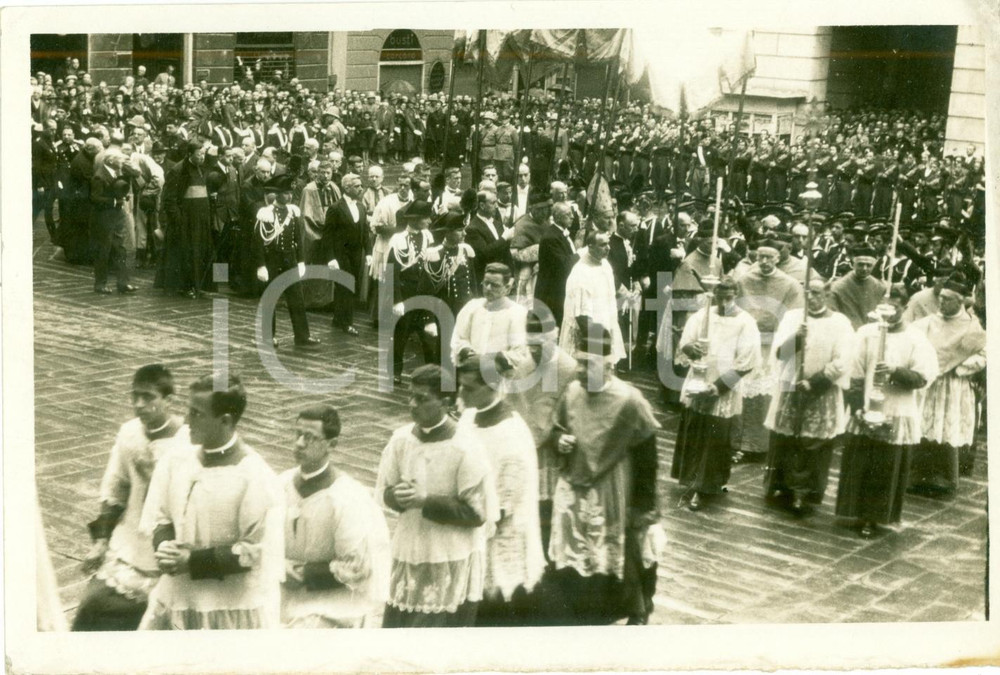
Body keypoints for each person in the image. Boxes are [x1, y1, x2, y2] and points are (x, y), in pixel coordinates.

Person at [139, 374, 284, 629]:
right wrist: (164, 546)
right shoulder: (176, 461)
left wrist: (190, 561)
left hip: (228, 607)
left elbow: (253, 551)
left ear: (225, 421)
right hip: (176, 597)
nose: (186, 420)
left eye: (196, 414)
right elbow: (161, 516)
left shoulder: (255, 476)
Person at [547, 318, 661, 625]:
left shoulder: (630, 400)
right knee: (577, 553)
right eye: (579, 364)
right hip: (574, 482)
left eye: (588, 365)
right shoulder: (571, 392)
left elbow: (648, 457)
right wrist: (561, 440)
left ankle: (635, 609)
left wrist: (643, 504)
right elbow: (556, 428)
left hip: (613, 487)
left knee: (619, 550)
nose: (580, 371)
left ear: (608, 365)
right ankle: (583, 609)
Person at [375, 364, 497, 628]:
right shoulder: (401, 440)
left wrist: (425, 500)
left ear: (444, 402)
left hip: (449, 556)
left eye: (421, 399)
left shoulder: (466, 446)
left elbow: (477, 513)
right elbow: (383, 492)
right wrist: (395, 495)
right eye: (411, 396)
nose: (412, 404)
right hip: (410, 549)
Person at [72, 366, 189, 631]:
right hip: (130, 543)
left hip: (171, 546)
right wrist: (101, 542)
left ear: (169, 400)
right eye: (134, 396)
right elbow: (116, 486)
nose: (139, 405)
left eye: (148, 397)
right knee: (93, 605)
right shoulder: (129, 433)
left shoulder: (188, 439)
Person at [835, 286, 938, 538]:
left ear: (904, 309)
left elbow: (923, 377)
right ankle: (855, 511)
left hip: (896, 408)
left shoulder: (916, 339)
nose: (888, 313)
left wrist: (894, 370)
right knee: (860, 462)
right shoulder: (867, 333)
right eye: (884, 307)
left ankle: (874, 516)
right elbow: (855, 372)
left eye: (894, 308)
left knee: (884, 466)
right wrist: (858, 406)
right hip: (867, 406)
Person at [280, 405, 391, 628]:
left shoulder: (346, 497)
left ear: (331, 444)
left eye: (310, 437)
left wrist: (301, 573)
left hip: (330, 606)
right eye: (298, 435)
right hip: (282, 596)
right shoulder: (280, 484)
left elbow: (355, 567)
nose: (299, 443)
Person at [455, 353, 545, 627]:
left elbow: (504, 505)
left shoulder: (512, 435)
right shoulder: (468, 418)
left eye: (469, 388)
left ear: (492, 387)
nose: (460, 393)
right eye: (460, 385)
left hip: (496, 537)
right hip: (467, 526)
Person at [763, 280, 855, 513]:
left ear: (827, 294)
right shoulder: (793, 318)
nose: (811, 298)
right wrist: (797, 338)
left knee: (812, 443)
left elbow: (844, 359)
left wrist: (816, 382)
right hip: (791, 384)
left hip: (821, 388)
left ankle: (803, 493)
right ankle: (780, 485)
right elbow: (779, 353)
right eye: (808, 293)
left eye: (816, 293)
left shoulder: (840, 323)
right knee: (786, 437)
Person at [671, 277, 762, 510]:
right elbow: (685, 343)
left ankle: (705, 486)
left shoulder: (745, 322)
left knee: (715, 436)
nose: (724, 302)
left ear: (736, 295)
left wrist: (719, 386)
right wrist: (693, 349)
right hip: (699, 378)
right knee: (694, 429)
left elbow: (747, 361)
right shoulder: (702, 316)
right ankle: (691, 479)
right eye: (719, 297)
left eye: (729, 297)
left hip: (723, 385)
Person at [503, 313, 578, 557]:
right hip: (523, 455)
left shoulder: (570, 369)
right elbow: (511, 408)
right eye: (530, 345)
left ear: (554, 336)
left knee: (549, 520)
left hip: (553, 461)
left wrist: (557, 437)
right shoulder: (522, 366)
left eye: (540, 345)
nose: (534, 352)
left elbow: (575, 419)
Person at [908, 278, 986, 497]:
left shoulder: (972, 327)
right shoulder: (928, 322)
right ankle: (916, 477)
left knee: (946, 430)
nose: (941, 302)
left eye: (947, 299)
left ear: (959, 302)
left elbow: (985, 352)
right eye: (940, 298)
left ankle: (943, 481)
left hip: (953, 385)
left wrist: (961, 368)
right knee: (923, 427)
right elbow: (912, 339)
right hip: (929, 383)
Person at [733, 239, 804, 463]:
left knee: (767, 394)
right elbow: (735, 308)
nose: (764, 261)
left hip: (774, 345)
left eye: (769, 257)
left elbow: (794, 316)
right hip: (747, 342)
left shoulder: (790, 284)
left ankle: (762, 444)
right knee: (743, 391)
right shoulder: (744, 280)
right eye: (760, 257)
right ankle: (739, 443)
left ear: (777, 259)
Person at [252, 174, 320, 349]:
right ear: (276, 194)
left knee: (297, 299)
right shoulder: (265, 214)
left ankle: (302, 336)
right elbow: (258, 242)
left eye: (290, 193)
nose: (289, 196)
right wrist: (261, 265)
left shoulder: (292, 212)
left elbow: (298, 238)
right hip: (272, 260)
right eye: (285, 193)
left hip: (290, 260)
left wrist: (301, 261)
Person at [387, 201, 440, 383]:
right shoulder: (398, 239)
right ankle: (395, 371)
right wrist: (397, 300)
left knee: (428, 335)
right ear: (415, 219)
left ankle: (431, 373)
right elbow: (392, 271)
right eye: (425, 218)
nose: (428, 221)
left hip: (423, 292)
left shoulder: (427, 236)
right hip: (406, 292)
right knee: (401, 334)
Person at [158, 140, 215, 299]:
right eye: (199, 154)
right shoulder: (178, 170)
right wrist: (178, 220)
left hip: (202, 219)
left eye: (204, 154)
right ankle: (186, 286)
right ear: (189, 154)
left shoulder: (203, 168)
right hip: (186, 221)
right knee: (187, 254)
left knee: (201, 251)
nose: (202, 157)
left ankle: (199, 285)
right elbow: (170, 199)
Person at [559, 231, 627, 364]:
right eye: (602, 245)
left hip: (604, 329)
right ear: (590, 247)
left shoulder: (605, 265)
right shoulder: (581, 273)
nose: (608, 248)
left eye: (608, 243)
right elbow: (581, 317)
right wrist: (598, 346)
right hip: (590, 336)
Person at [451, 262, 529, 366]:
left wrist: (489, 360)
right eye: (486, 283)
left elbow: (519, 352)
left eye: (495, 285)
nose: (488, 288)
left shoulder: (517, 313)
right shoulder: (472, 307)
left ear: (507, 288)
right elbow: (459, 337)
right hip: (472, 370)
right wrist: (468, 352)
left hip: (501, 374)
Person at [322, 172, 368, 336]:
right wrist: (331, 258)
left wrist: (367, 252)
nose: (360, 189)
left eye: (361, 185)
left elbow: (365, 231)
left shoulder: (361, 206)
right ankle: (347, 323)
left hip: (356, 254)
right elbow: (327, 235)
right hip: (341, 253)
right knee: (345, 286)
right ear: (346, 187)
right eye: (357, 186)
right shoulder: (335, 208)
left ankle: (338, 319)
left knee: (349, 286)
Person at [90, 149, 137, 295]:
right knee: (104, 250)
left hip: (116, 217)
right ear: (110, 161)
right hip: (104, 218)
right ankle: (100, 284)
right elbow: (94, 198)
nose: (123, 161)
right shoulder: (99, 176)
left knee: (121, 249)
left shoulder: (117, 173)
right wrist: (116, 201)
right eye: (120, 159)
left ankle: (123, 282)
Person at [534, 201, 579, 328]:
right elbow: (564, 265)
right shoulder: (551, 238)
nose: (572, 217)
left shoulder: (561, 233)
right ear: (558, 217)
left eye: (572, 213)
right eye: (568, 214)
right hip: (552, 293)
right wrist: (580, 254)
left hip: (559, 290)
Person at [828, 244, 889, 330]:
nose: (864, 268)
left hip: (871, 332)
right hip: (847, 332)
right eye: (861, 264)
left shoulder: (880, 287)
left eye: (869, 265)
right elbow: (833, 316)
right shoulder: (838, 287)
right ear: (853, 264)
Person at [465, 189, 514, 281]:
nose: (496, 206)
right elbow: (485, 253)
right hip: (487, 279)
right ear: (482, 206)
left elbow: (506, 252)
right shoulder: (472, 228)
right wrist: (504, 238)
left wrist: (511, 276)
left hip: (504, 276)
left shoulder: (497, 223)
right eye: (493, 203)